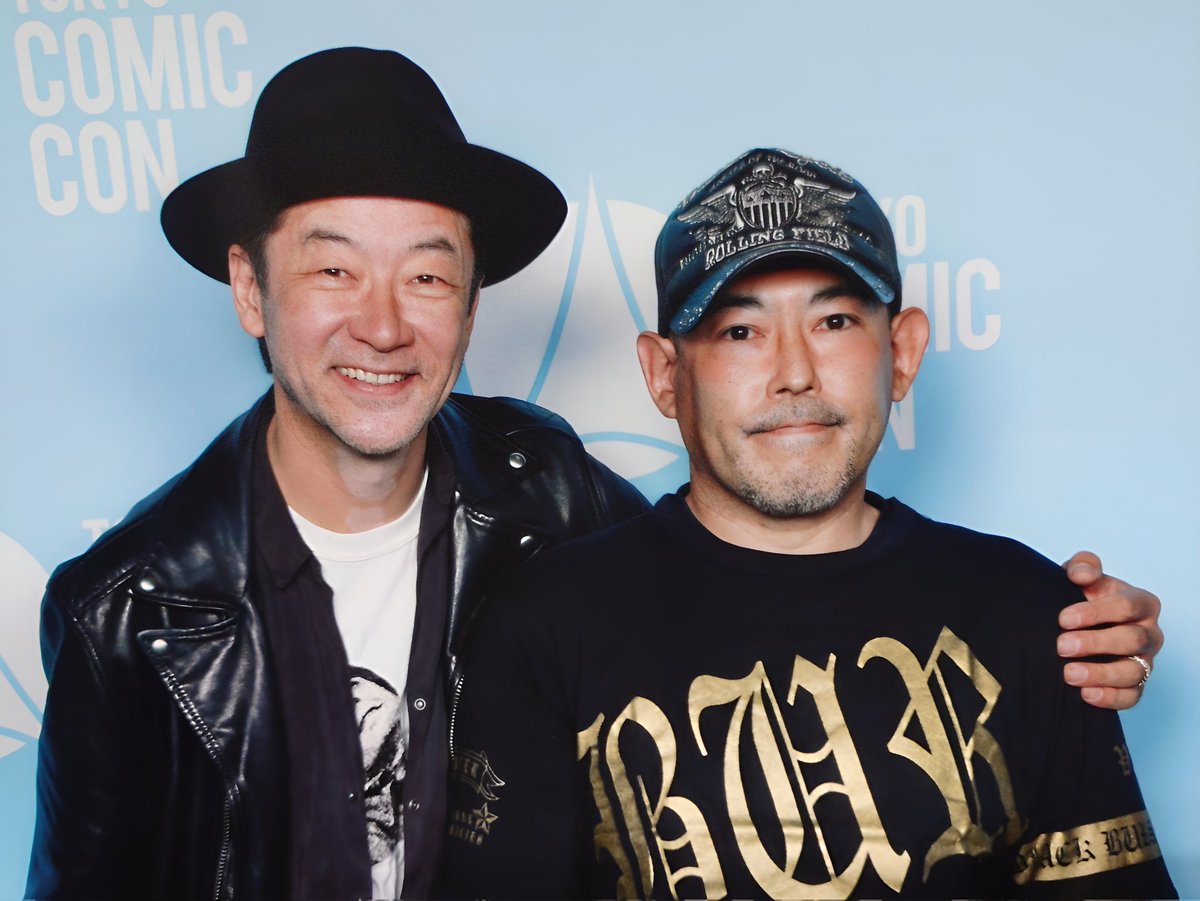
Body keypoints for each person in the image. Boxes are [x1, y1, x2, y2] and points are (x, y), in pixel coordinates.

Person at [24, 46, 1159, 898]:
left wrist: (1074, 632)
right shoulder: (125, 613)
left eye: (427, 276)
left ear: (471, 305)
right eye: (333, 271)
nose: (383, 324)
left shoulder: (542, 492)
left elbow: (738, 557)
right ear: (250, 288)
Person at [441, 149, 1175, 897]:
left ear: (902, 352)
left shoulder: (1035, 613)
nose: (794, 373)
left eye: (834, 321)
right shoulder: (546, 624)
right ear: (665, 375)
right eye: (740, 331)